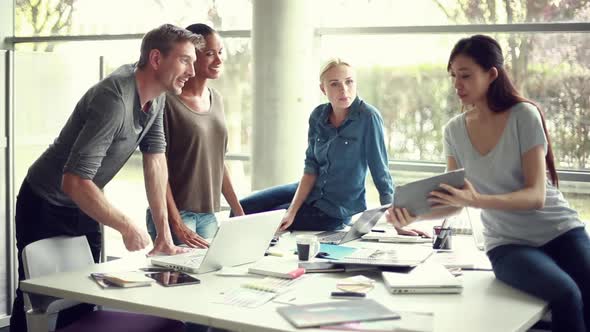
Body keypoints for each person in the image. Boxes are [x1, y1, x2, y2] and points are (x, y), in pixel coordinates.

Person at [388, 35, 590, 332]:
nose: (457, 84)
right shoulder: (453, 131)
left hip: (561, 231)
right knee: (566, 294)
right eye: (453, 76)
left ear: (492, 74)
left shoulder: (524, 115)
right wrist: (410, 214)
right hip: (508, 245)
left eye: (466, 75)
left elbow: (536, 196)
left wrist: (475, 200)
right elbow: (454, 201)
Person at [10, 24, 200, 332]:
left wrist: (163, 236)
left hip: (83, 201)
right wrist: (126, 225)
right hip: (45, 200)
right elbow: (72, 181)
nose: (193, 70)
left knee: (85, 296)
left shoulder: (158, 96)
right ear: (156, 59)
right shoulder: (114, 99)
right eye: (185, 60)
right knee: (38, 298)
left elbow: (155, 161)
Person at [237, 58, 415, 233]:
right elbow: (311, 167)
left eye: (349, 82)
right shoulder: (318, 115)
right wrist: (292, 210)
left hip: (335, 210)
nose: (344, 90)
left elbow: (381, 173)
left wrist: (397, 223)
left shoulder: (368, 117)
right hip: (308, 191)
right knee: (243, 208)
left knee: (262, 220)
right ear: (323, 88)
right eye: (335, 84)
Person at [146, 23, 245, 248]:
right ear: (191, 57)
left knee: (210, 279)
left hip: (209, 214)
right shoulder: (166, 102)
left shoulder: (216, 98)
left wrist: (237, 210)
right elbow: (157, 168)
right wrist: (176, 222)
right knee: (179, 282)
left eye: (220, 52)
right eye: (209, 54)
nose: (218, 60)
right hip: (177, 215)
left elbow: (219, 162)